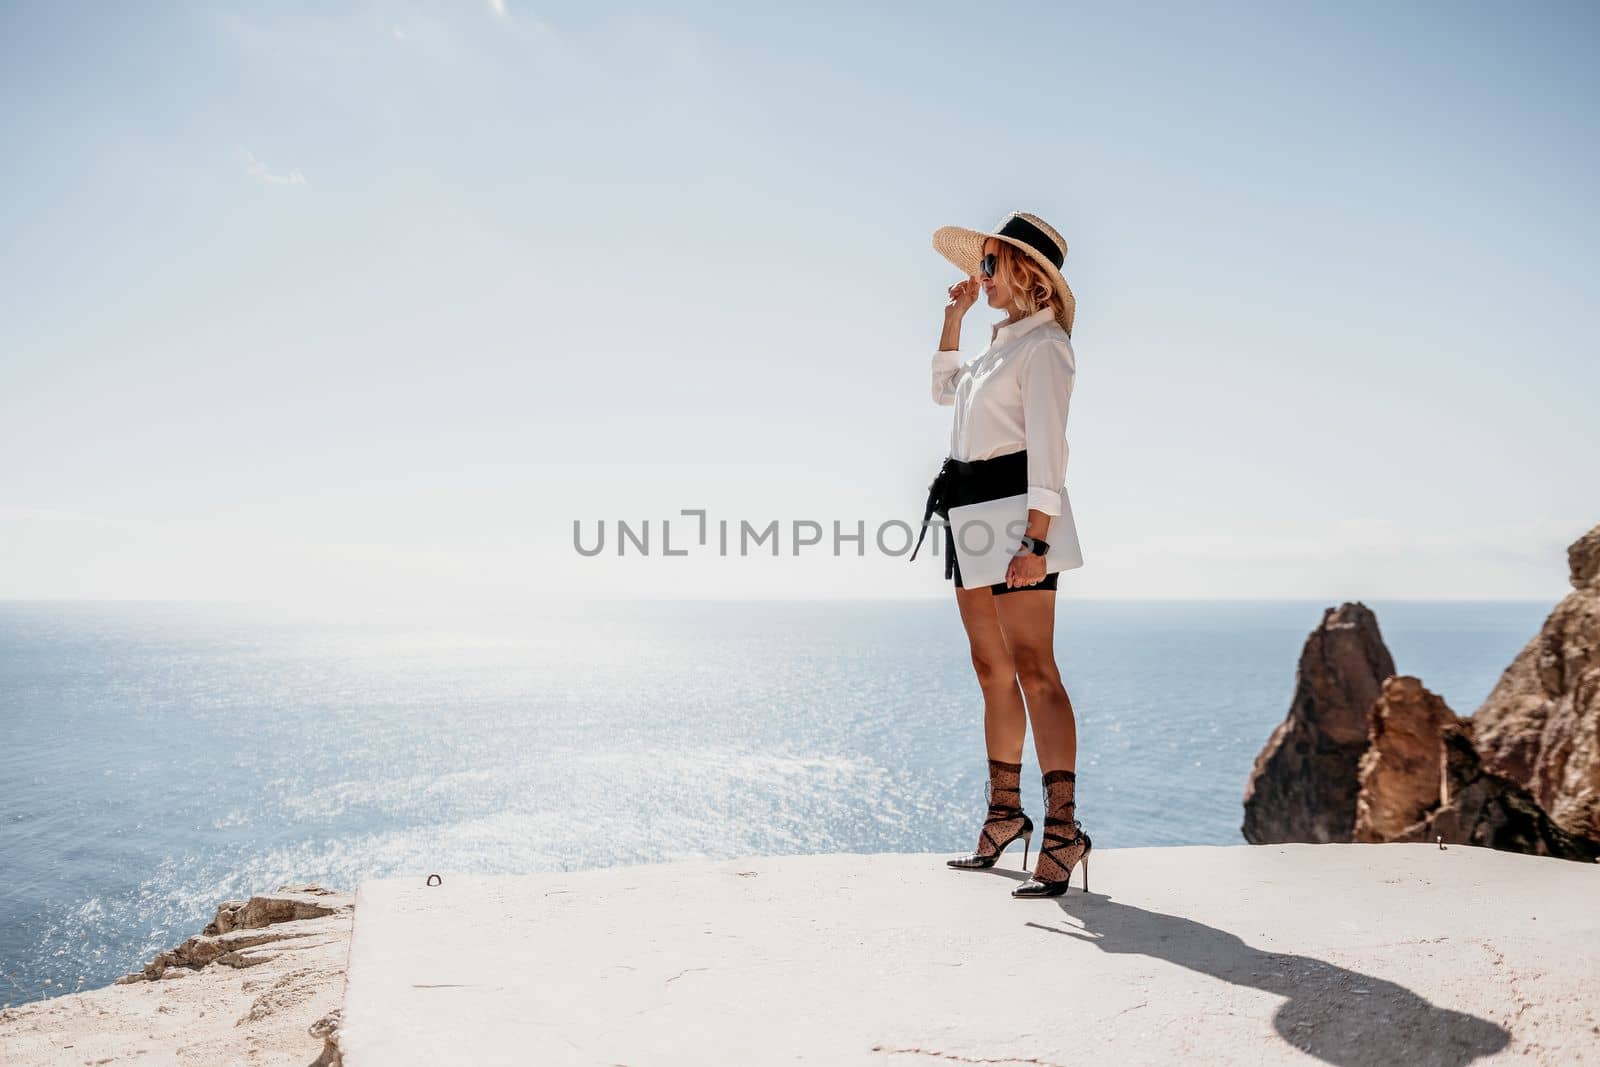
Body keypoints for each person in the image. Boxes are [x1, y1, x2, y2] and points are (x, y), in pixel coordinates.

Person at [910, 211, 1091, 898]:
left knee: (1035, 669)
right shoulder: (995, 346)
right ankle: (1005, 815)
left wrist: (1036, 540)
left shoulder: (1045, 347)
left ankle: (1065, 829)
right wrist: (953, 323)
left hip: (1017, 514)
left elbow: (1051, 447)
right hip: (970, 515)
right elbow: (942, 392)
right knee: (990, 668)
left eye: (990, 265)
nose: (978, 277)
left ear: (1027, 274)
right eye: (979, 264)